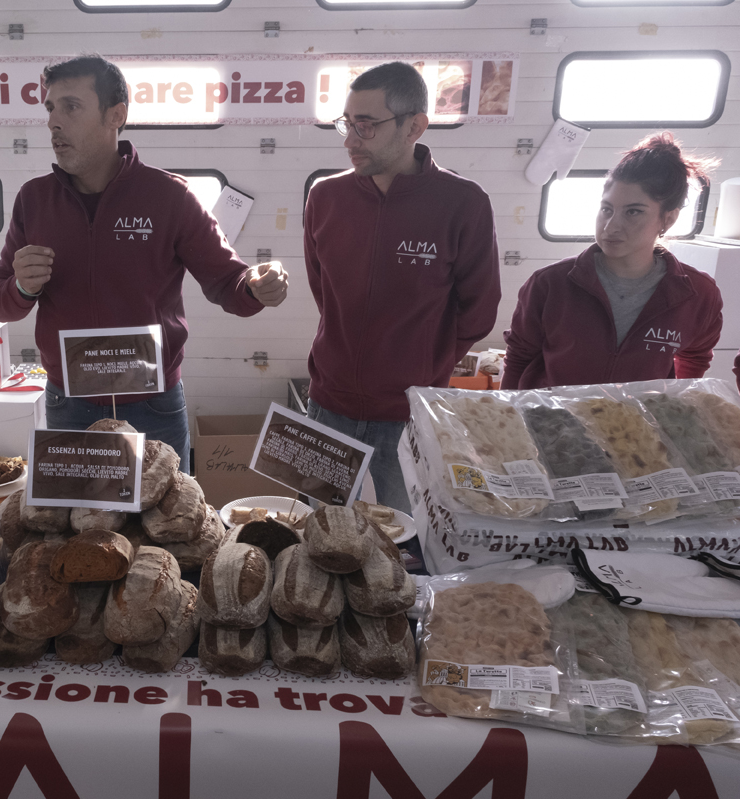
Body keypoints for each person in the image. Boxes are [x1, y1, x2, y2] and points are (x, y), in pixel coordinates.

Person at [0, 55, 288, 470]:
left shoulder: (169, 197)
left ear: (116, 115)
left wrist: (256, 285)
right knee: (78, 529)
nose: (54, 122)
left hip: (153, 406)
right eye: (50, 108)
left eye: (71, 106)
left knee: (167, 530)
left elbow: (228, 282)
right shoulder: (34, 200)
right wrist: (22, 287)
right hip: (68, 404)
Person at [303, 61, 501, 513]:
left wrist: (421, 369)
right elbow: (325, 291)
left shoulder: (463, 203)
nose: (351, 140)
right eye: (347, 124)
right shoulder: (325, 197)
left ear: (415, 125)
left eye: (367, 126)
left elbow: (479, 309)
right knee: (319, 536)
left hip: (408, 415)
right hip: (328, 405)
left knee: (404, 546)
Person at [502, 133, 722, 390]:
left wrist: (677, 409)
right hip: (553, 422)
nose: (611, 226)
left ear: (668, 219)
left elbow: (695, 357)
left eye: (633, 212)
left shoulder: (697, 294)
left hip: (636, 426)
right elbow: (519, 358)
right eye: (607, 209)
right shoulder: (550, 284)